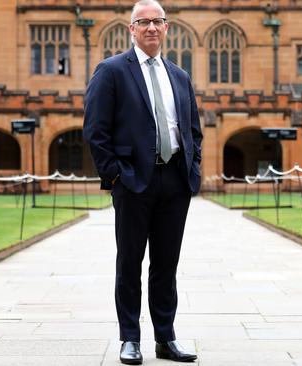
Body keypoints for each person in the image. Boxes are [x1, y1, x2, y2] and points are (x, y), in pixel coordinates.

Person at [83, 0, 202, 364]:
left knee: (166, 265)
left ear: (167, 28)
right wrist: (116, 175)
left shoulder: (179, 76)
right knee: (130, 262)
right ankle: (129, 338)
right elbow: (95, 129)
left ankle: (165, 339)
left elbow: (193, 129)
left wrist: (192, 168)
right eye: (143, 22)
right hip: (134, 181)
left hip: (174, 181)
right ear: (131, 29)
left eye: (157, 21)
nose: (151, 27)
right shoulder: (112, 70)